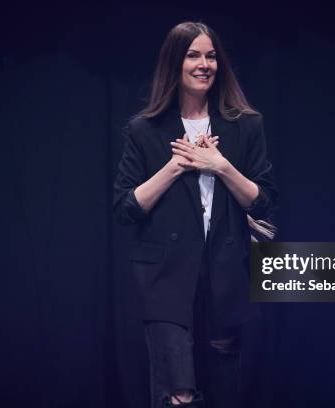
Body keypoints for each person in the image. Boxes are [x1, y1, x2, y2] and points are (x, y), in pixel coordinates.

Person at [113, 21, 277, 408]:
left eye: (211, 56)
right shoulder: (144, 130)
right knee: (179, 394)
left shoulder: (245, 125)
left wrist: (220, 165)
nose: (204, 64)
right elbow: (125, 209)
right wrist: (176, 165)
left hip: (225, 274)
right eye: (193, 55)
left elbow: (264, 201)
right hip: (164, 280)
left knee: (222, 388)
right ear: (174, 63)